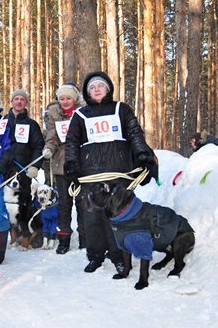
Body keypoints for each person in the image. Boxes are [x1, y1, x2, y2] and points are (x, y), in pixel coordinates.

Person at [65, 71, 154, 274]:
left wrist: (142, 153)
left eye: (100, 86)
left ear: (108, 89)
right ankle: (95, 255)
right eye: (92, 88)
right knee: (92, 216)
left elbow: (134, 133)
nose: (96, 90)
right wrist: (71, 164)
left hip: (118, 171)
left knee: (118, 216)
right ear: (87, 93)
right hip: (90, 173)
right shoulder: (80, 115)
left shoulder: (121, 109)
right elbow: (71, 142)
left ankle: (119, 256)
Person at [42, 84, 86, 254]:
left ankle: (85, 238)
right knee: (64, 205)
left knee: (83, 204)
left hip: (82, 164)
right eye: (62, 99)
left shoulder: (83, 113)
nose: (65, 102)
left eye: (68, 98)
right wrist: (49, 149)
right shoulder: (54, 115)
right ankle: (64, 238)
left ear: (74, 99)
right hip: (61, 164)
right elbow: (52, 138)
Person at [0, 89, 44, 234]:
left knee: (24, 203)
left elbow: (38, 146)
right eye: (16, 99)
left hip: (24, 170)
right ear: (11, 102)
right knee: (1, 201)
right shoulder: (1, 121)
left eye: (22, 99)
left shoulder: (32, 124)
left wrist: (35, 166)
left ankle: (26, 232)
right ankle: (6, 232)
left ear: (26, 103)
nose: (19, 101)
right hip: (4, 169)